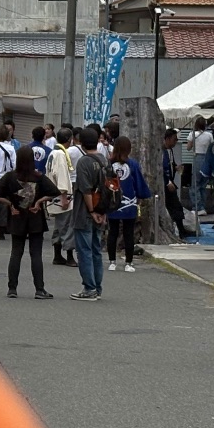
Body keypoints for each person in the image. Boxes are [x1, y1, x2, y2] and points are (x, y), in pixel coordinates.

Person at [0, 146, 60, 299]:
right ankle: (39, 289)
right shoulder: (39, 177)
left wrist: (10, 204)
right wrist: (39, 202)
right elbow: (55, 192)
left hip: (17, 217)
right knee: (36, 254)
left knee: (16, 253)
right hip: (35, 218)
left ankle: (12, 289)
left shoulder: (10, 177)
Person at [71, 127, 107, 301]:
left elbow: (85, 190)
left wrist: (92, 210)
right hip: (102, 209)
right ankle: (97, 287)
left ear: (81, 143)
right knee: (96, 250)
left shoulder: (83, 162)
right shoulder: (104, 160)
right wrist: (102, 211)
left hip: (85, 211)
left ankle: (89, 288)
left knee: (84, 251)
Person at [106, 136, 151, 273]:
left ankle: (112, 262)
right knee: (128, 233)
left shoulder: (108, 164)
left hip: (112, 202)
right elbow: (139, 183)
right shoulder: (133, 164)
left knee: (112, 232)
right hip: (129, 202)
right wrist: (141, 195)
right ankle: (128, 263)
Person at [45, 127, 76, 266]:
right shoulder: (60, 154)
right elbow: (61, 175)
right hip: (62, 196)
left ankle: (57, 255)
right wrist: (64, 196)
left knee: (59, 226)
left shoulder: (53, 152)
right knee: (67, 227)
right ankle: (69, 256)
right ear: (70, 139)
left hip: (53, 194)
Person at [163, 129, 191, 239]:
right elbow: (162, 168)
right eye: (174, 140)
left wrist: (175, 168)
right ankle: (180, 230)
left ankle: (181, 229)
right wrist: (167, 182)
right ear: (168, 139)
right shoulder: (162, 152)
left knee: (177, 207)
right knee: (175, 206)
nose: (175, 142)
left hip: (171, 181)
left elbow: (169, 165)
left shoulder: (169, 151)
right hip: (166, 183)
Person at [185, 117, 212, 214]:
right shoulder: (209, 135)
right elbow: (211, 147)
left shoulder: (193, 134)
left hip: (197, 158)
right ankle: (203, 207)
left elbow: (188, 147)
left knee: (195, 184)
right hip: (207, 159)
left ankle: (197, 207)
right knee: (203, 185)